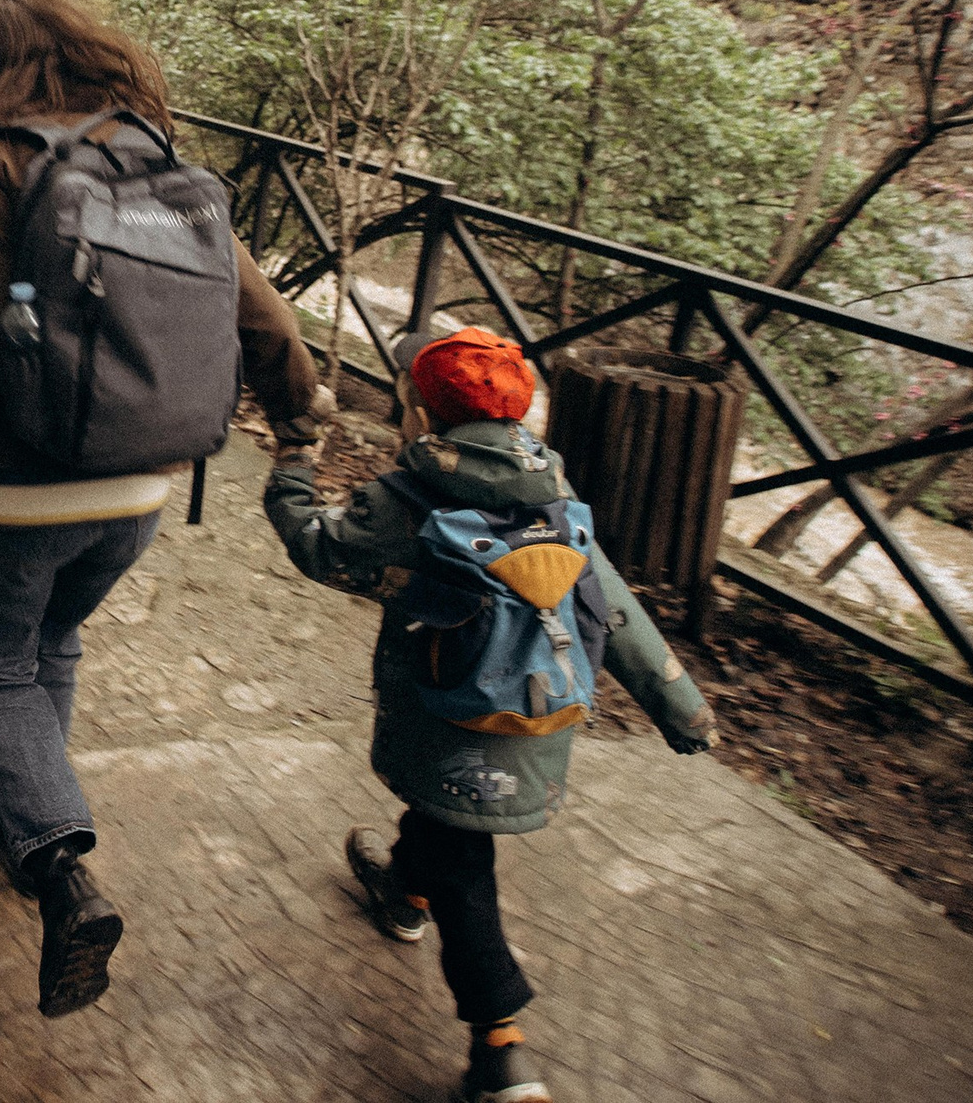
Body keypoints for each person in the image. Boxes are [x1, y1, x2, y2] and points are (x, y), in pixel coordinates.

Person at [0, 0, 327, 1018]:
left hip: (20, 493)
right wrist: (302, 423)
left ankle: (62, 872)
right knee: (54, 644)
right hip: (144, 487)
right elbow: (266, 321)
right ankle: (21, 813)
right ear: (91, 61)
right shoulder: (154, 157)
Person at [265, 327, 720, 1103]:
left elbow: (320, 547)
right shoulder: (557, 499)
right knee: (446, 830)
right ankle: (404, 893)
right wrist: (684, 706)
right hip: (539, 722)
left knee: (464, 866)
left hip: (448, 718)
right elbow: (615, 611)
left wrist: (292, 470)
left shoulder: (410, 495)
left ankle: (502, 1049)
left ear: (421, 409)